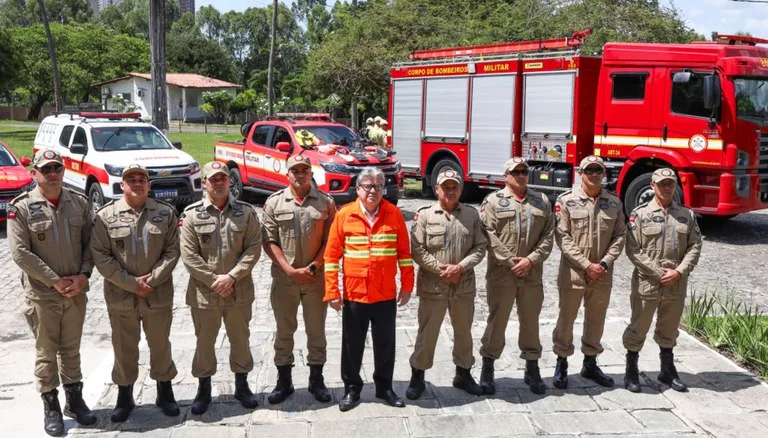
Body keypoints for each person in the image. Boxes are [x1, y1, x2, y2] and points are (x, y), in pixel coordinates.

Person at [8, 149, 96, 436]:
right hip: (43, 295)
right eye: (46, 169)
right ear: (35, 173)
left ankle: (74, 400)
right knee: (47, 352)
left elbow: (90, 244)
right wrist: (54, 281)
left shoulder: (80, 203)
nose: (53, 173)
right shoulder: (21, 207)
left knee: (71, 349)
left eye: (57, 168)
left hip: (75, 292)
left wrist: (83, 276)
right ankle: (51, 406)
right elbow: (20, 253)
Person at [91, 163, 181, 422]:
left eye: (142, 179)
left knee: (160, 344)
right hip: (121, 294)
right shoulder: (106, 216)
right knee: (123, 346)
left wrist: (151, 280)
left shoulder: (165, 214)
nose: (137, 183)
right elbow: (101, 255)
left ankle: (165, 391)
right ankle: (124, 394)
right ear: (122, 185)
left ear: (149, 185)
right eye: (131, 180)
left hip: (157, 293)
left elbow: (172, 251)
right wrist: (132, 284)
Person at [324, 167, 414, 412]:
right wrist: (332, 291)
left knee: (385, 344)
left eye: (378, 186)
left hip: (385, 294)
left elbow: (405, 256)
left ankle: (385, 388)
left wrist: (407, 286)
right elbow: (331, 257)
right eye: (368, 186)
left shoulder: (394, 214)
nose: (373, 190)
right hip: (355, 294)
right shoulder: (344, 215)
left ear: (383, 189)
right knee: (352, 346)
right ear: (358, 189)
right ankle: (352, 390)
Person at [179, 162, 262, 415]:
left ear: (229, 181)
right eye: (212, 179)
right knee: (205, 343)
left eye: (222, 178)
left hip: (239, 291)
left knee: (240, 339)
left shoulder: (246, 213)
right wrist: (215, 280)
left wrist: (232, 277)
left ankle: (242, 385)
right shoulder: (191, 214)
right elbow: (189, 255)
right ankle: (203, 390)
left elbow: (253, 248)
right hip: (205, 294)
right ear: (204, 183)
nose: (218, 183)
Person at [405, 169, 487, 400]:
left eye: (455, 187)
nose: (450, 191)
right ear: (437, 189)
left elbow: (480, 247)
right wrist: (442, 269)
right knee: (427, 332)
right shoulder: (424, 215)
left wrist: (460, 267)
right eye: (446, 187)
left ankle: (463, 373)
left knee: (463, 332)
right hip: (434, 285)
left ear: (461, 189)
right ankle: (418, 375)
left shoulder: (471, 215)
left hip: (463, 284)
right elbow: (417, 249)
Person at [262, 155, 336, 404]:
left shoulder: (325, 202)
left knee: (317, 331)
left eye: (305, 170)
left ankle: (317, 380)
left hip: (316, 279)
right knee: (284, 331)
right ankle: (284, 381)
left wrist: (315, 266)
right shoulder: (274, 203)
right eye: (295, 170)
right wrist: (289, 270)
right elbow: (269, 240)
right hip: (285, 280)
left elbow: (331, 240)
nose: (300, 174)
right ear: (287, 174)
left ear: (311, 173)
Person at [477, 157, 555, 395]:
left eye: (524, 171)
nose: (520, 175)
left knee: (530, 322)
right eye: (515, 172)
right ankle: (488, 367)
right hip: (502, 273)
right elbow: (488, 235)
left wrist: (530, 260)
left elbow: (549, 234)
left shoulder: (541, 201)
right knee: (497, 321)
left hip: (531, 273)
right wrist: (511, 261)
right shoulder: (492, 202)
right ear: (506, 175)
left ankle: (532, 369)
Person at [622, 168, 702, 393]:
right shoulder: (640, 215)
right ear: (652, 186)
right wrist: (658, 272)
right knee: (639, 327)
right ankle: (631, 370)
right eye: (662, 184)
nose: (667, 188)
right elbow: (633, 249)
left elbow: (695, 245)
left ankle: (667, 370)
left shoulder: (687, 215)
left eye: (671, 183)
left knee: (669, 327)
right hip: (648, 281)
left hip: (676, 281)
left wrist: (679, 271)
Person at [552, 155, 626, 389]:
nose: (594, 174)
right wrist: (587, 265)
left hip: (602, 273)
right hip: (573, 272)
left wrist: (603, 264)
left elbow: (620, 236)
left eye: (598, 170)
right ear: (580, 174)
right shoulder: (566, 201)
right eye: (589, 170)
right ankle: (561, 363)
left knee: (596, 319)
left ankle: (590, 363)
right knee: (567, 318)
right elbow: (562, 237)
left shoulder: (614, 203)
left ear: (604, 174)